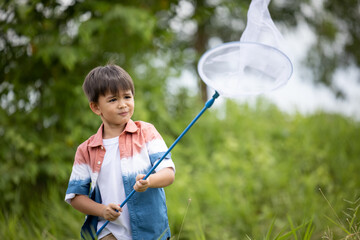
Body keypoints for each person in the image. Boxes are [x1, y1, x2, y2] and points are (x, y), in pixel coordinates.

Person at [65, 64, 175, 240]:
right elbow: (76, 196)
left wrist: (150, 181)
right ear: (96, 107)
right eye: (113, 100)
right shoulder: (85, 150)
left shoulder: (146, 132)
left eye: (127, 97)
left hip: (150, 231)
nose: (123, 105)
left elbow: (168, 173)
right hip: (108, 231)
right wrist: (102, 210)